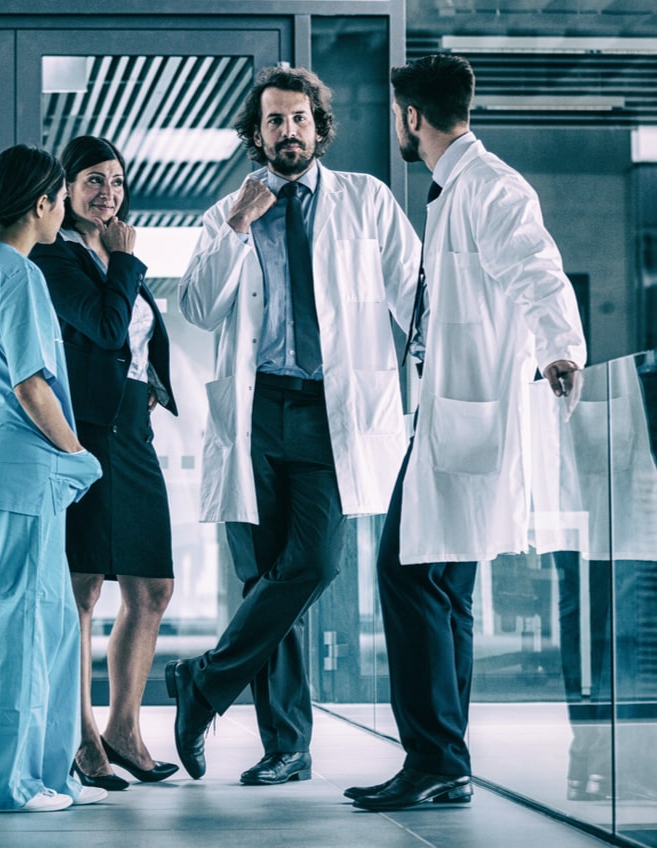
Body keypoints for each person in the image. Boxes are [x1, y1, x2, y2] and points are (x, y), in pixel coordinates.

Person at [167, 65, 421, 785]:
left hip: (329, 413)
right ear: (258, 133)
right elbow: (199, 307)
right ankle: (287, 747)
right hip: (254, 413)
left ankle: (205, 685)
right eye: (274, 121)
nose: (288, 131)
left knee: (313, 563)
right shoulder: (229, 211)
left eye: (299, 118)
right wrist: (235, 228)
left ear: (318, 125)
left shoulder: (365, 201)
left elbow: (416, 291)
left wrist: (441, 372)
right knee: (262, 579)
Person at [347, 54, 588, 813]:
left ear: (411, 117)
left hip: (470, 420)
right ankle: (443, 760)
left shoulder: (490, 187)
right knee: (441, 586)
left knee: (407, 572)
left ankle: (434, 758)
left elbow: (537, 270)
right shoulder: (456, 190)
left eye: (398, 116)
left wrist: (560, 348)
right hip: (452, 416)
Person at [0, 144, 105, 813]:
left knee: (52, 622)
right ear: (41, 203)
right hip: (23, 466)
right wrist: (78, 456)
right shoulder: (18, 275)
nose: (65, 207)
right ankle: (3, 786)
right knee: (26, 625)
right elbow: (32, 386)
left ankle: (43, 776)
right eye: (61, 197)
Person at [31, 135, 179, 789]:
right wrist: (127, 260)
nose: (108, 193)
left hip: (134, 433)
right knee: (82, 588)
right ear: (65, 190)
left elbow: (138, 343)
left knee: (152, 588)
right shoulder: (53, 256)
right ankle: (82, 737)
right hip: (87, 433)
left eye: (117, 181)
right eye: (93, 180)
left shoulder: (108, 253)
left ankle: (125, 729)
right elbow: (104, 327)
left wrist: (154, 397)